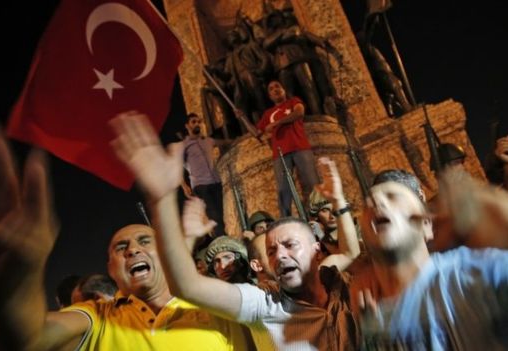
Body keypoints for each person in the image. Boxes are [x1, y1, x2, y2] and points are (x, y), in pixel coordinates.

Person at [0, 125, 249, 350]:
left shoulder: (214, 306)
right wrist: (20, 275)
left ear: (167, 251)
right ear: (111, 269)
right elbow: (29, 339)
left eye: (144, 241)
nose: (132, 250)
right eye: (121, 247)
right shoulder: (98, 317)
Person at [109, 112, 361, 350]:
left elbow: (351, 250)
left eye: (290, 244)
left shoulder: (335, 279)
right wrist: (162, 199)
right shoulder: (264, 304)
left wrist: (339, 201)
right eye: (271, 251)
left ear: (318, 251)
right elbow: (186, 285)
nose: (279, 255)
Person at [356, 169, 508, 349]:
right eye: (367, 202)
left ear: (427, 225)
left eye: (392, 196)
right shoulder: (377, 321)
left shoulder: (473, 272)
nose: (376, 201)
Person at [255, 80, 319, 217]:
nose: (275, 89)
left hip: (300, 147)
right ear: (270, 96)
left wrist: (277, 123)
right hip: (280, 154)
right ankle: (287, 220)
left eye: (277, 86)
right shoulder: (268, 114)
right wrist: (241, 117)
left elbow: (299, 113)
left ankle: (322, 213)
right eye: (271, 89)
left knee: (313, 183)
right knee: (284, 190)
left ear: (284, 89)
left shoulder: (293, 101)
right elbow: (257, 133)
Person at [178, 112, 227, 236]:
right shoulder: (184, 146)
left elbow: (225, 142)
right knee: (214, 217)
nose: (197, 124)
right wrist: (184, 186)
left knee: (222, 215)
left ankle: (225, 239)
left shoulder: (208, 141)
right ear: (187, 126)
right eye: (193, 122)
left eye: (199, 121)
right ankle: (222, 243)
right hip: (201, 186)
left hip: (216, 181)